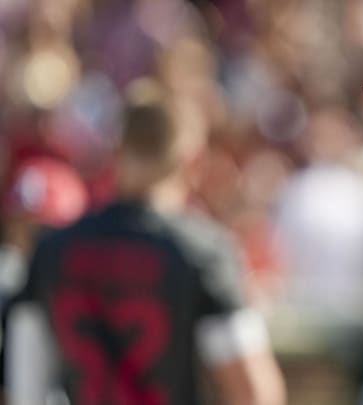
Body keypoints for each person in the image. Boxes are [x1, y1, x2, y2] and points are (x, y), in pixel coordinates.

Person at [4, 80, 287, 405]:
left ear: (117, 151)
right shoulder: (201, 252)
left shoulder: (51, 250)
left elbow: (26, 390)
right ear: (192, 161)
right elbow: (253, 391)